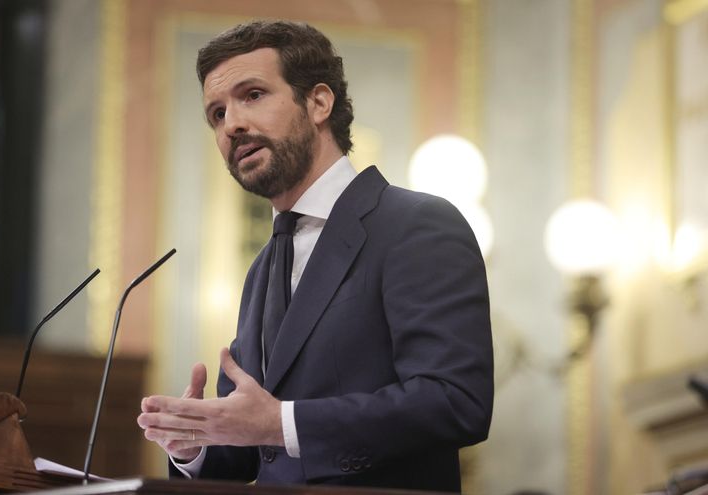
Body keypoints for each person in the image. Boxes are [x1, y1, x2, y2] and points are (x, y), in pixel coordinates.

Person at [137, 20, 493, 492]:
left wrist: (280, 423)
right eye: (217, 114)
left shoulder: (416, 224)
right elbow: (252, 450)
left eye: (253, 95)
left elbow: (454, 402)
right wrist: (196, 443)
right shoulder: (264, 265)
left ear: (319, 102)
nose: (233, 124)